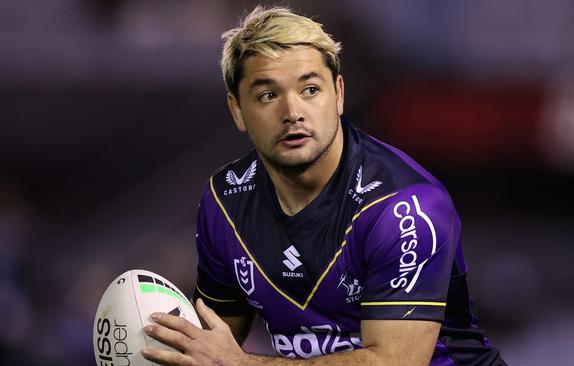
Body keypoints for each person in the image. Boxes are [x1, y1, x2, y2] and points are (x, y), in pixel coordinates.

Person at [141, 5, 507, 366]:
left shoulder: (405, 207)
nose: (292, 112)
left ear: (339, 94)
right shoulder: (225, 202)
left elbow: (395, 362)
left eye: (310, 90)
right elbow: (214, 344)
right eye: (268, 95)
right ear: (238, 110)